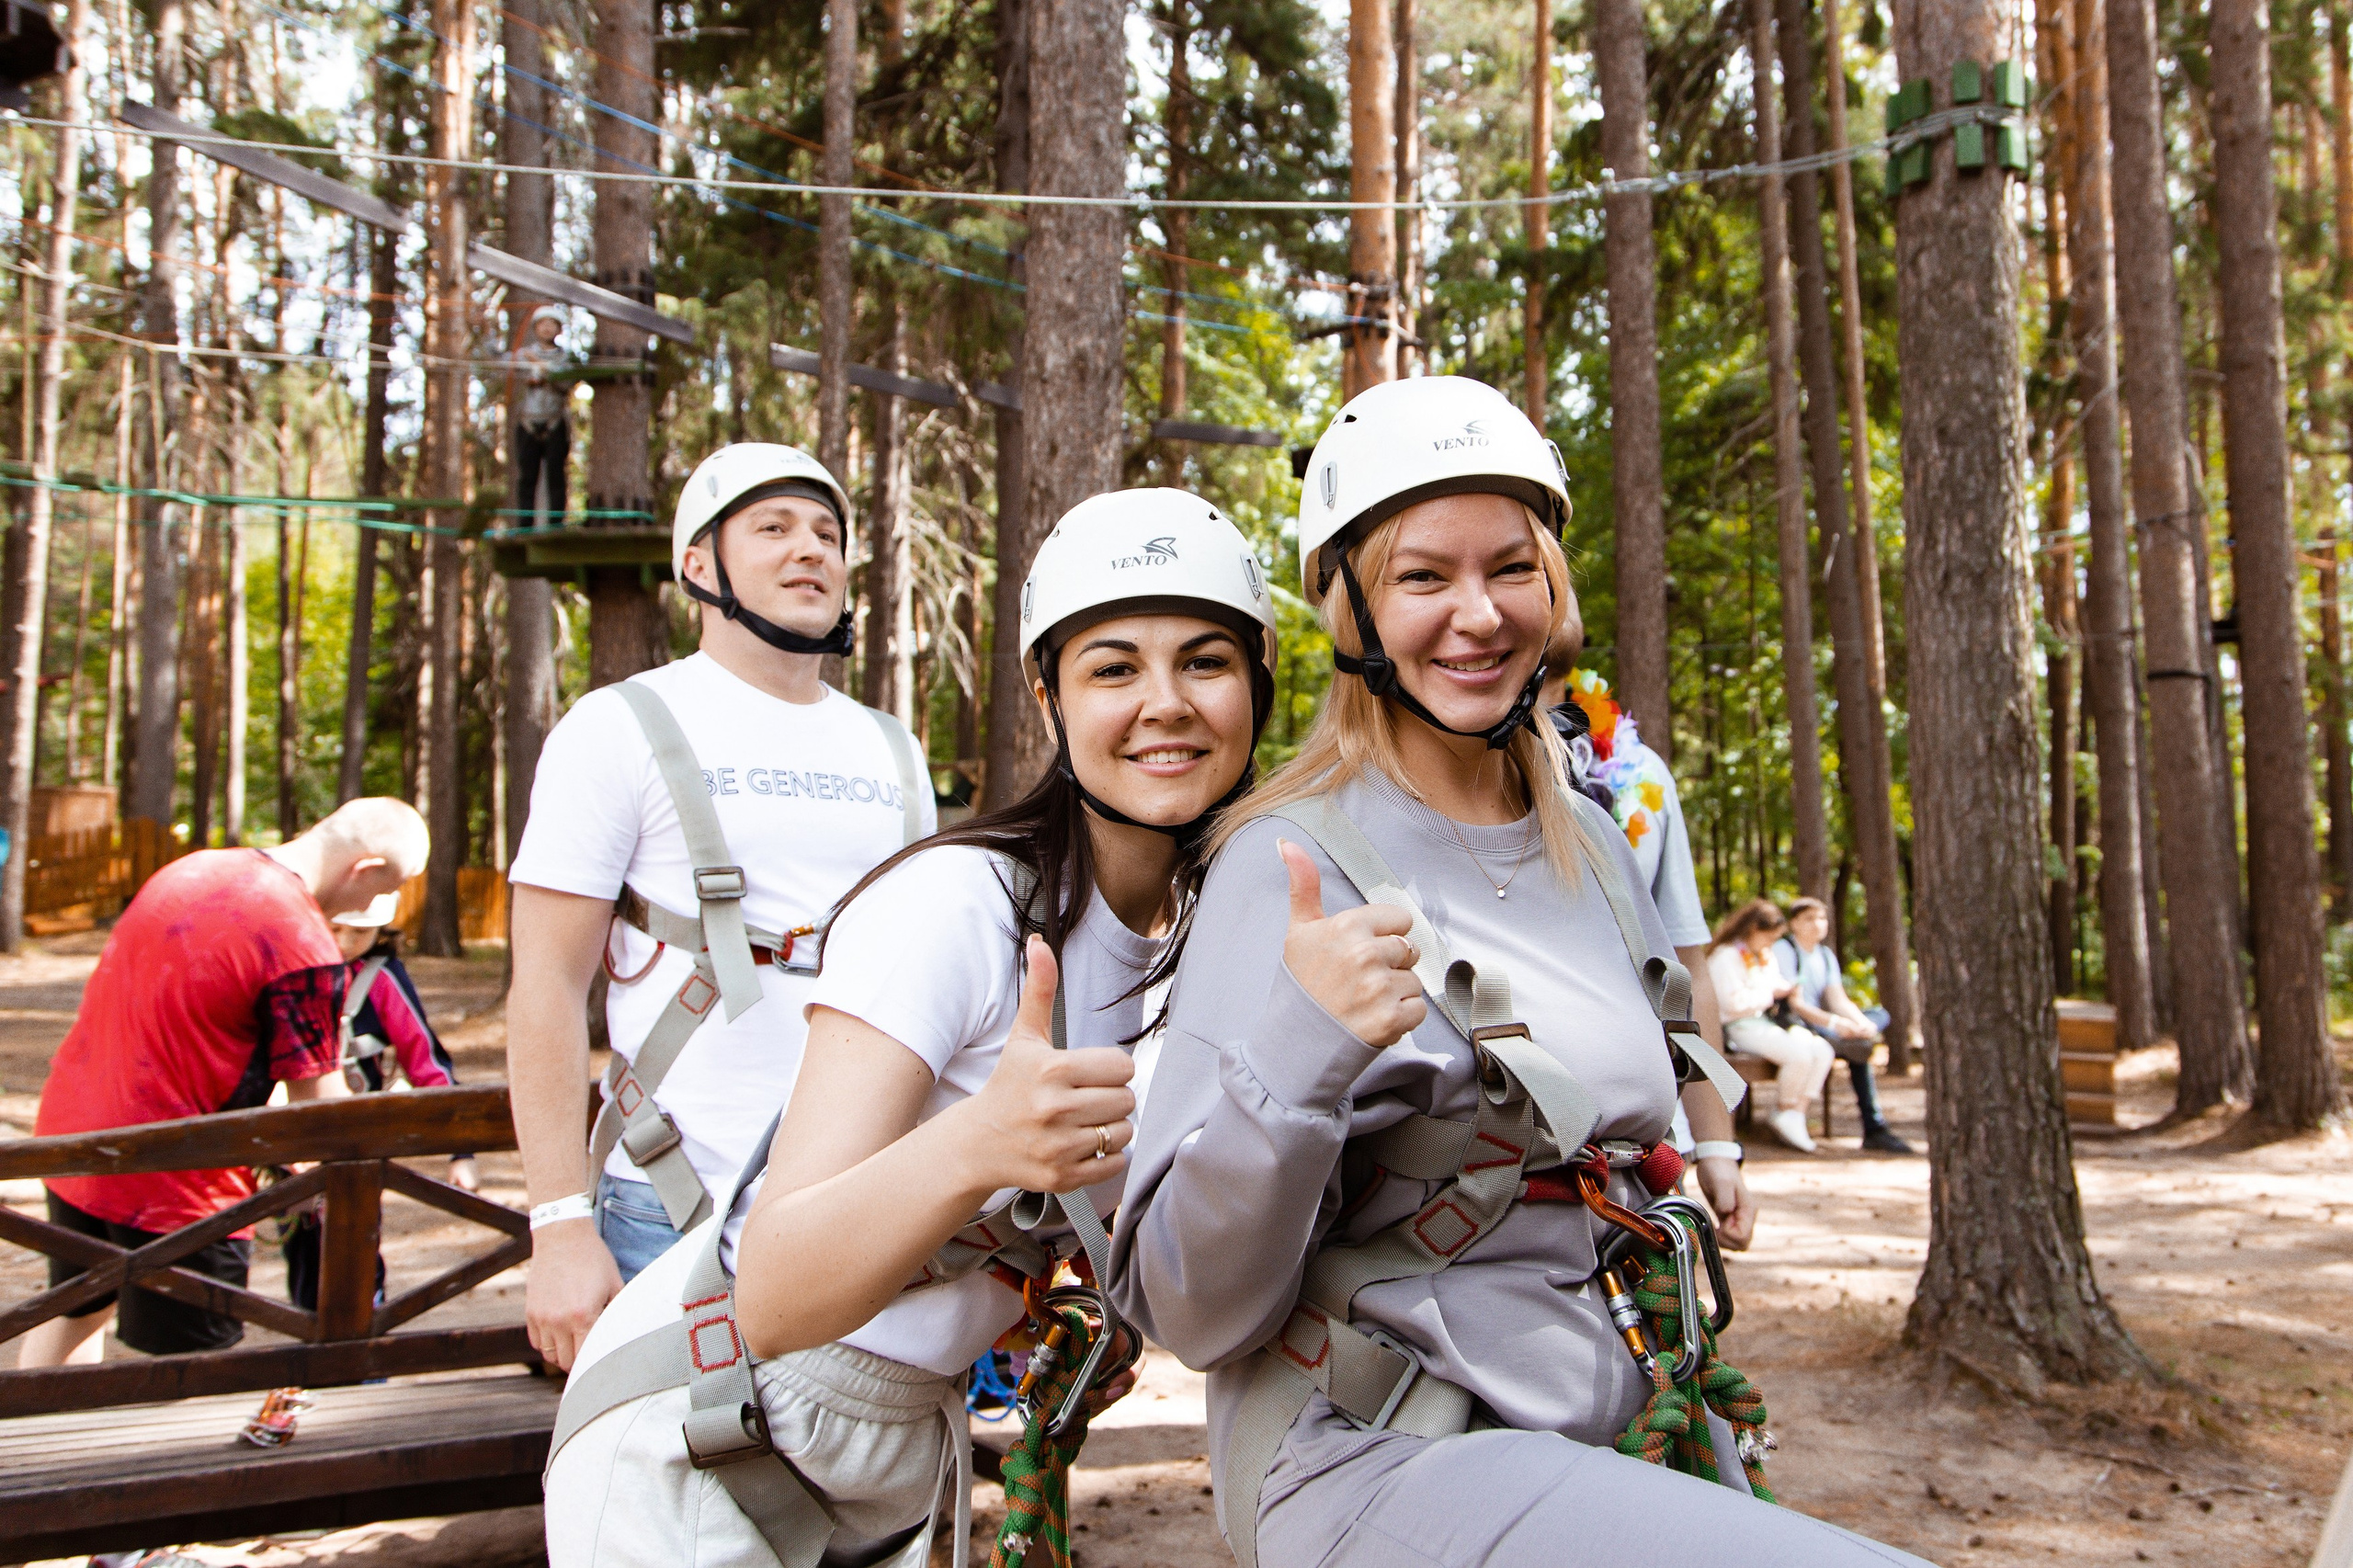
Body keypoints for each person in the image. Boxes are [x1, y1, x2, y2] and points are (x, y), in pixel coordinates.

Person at [1113, 377, 1924, 1567]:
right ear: (1348, 607)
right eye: (1421, 576)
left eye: (1511, 567)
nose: (1479, 613)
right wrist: (1297, 1053)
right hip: (1386, 1442)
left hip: (1616, 1411)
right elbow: (1186, 1304)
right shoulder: (1285, 866)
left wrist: (1711, 1157)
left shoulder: (1586, 837)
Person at [541, 490, 1278, 1568]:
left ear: (1258, 680)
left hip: (893, 1442)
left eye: (1204, 662)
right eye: (1113, 668)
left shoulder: (1205, 936)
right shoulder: (959, 904)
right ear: (1049, 696)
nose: (1164, 703)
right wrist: (980, 1142)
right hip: (704, 1425)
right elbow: (775, 1289)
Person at [506, 441, 932, 1373]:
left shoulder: (891, 750)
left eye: (827, 534)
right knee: (664, 1468)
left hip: (859, 1205)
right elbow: (544, 985)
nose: (811, 549)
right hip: (668, 1205)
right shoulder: (619, 727)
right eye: (773, 528)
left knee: (865, 1465)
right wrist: (558, 1224)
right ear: (699, 566)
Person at [20, 799, 429, 1368]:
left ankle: (38, 1425)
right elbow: (322, 1114)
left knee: (78, 1308)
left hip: (76, 1139)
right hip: (177, 1181)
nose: (375, 909)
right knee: (195, 1371)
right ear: (363, 869)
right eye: (387, 888)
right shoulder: (301, 943)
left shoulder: (193, 868)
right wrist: (392, 1135)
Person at [1542, 645, 1750, 1241]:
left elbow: (1686, 968)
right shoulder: (1447, 766)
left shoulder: (1640, 773)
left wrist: (1716, 1144)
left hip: (1646, 1156)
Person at [1773, 897, 1914, 1154]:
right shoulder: (1785, 950)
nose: (1817, 924)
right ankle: (1874, 1126)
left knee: (1877, 1018)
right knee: (1859, 1047)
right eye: (1809, 919)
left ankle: (1874, 1125)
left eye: (1822, 918)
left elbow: (1838, 999)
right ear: (1794, 924)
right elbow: (1796, 1004)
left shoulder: (1825, 955)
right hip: (1798, 1025)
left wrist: (1861, 1024)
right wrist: (1837, 1024)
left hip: (1827, 1024)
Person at [1708, 899, 1836, 1153]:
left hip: (1767, 1022)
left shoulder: (1762, 955)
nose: (1771, 944)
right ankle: (1784, 1109)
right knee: (1798, 1056)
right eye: (1768, 938)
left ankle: (1795, 1113)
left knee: (1822, 1050)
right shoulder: (1726, 956)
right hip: (1738, 1026)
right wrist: (1769, 995)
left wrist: (1786, 988)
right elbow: (1731, 1004)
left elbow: (1772, 982)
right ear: (1754, 930)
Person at [508, 303, 574, 527]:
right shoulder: (523, 355)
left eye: (552, 324)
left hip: (554, 423)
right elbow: (498, 361)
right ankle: (524, 526)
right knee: (527, 478)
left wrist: (542, 366)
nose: (547, 328)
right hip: (527, 422)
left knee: (556, 476)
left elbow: (566, 382)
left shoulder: (564, 358)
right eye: (542, 324)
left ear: (559, 330)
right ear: (535, 328)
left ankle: (556, 525)